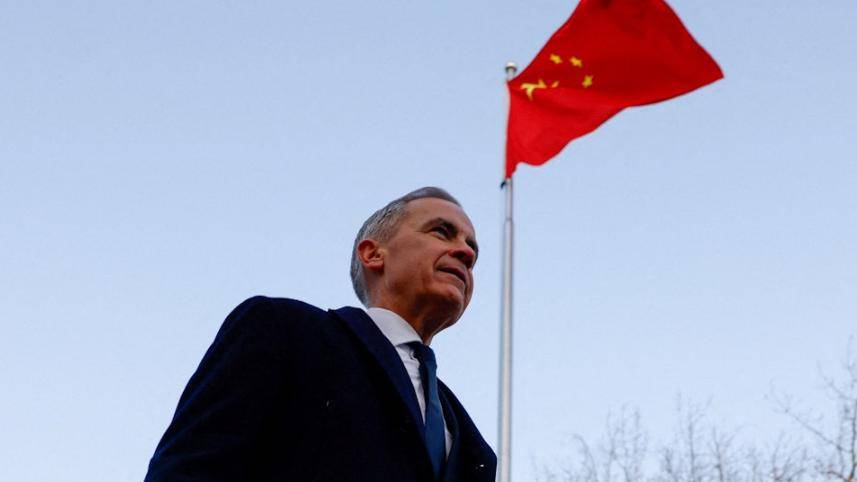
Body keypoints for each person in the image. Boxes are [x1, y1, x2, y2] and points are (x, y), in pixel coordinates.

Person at [145, 187, 497, 481]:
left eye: (472, 250)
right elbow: (189, 469)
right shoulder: (283, 330)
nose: (466, 253)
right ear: (373, 254)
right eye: (441, 232)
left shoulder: (473, 443)